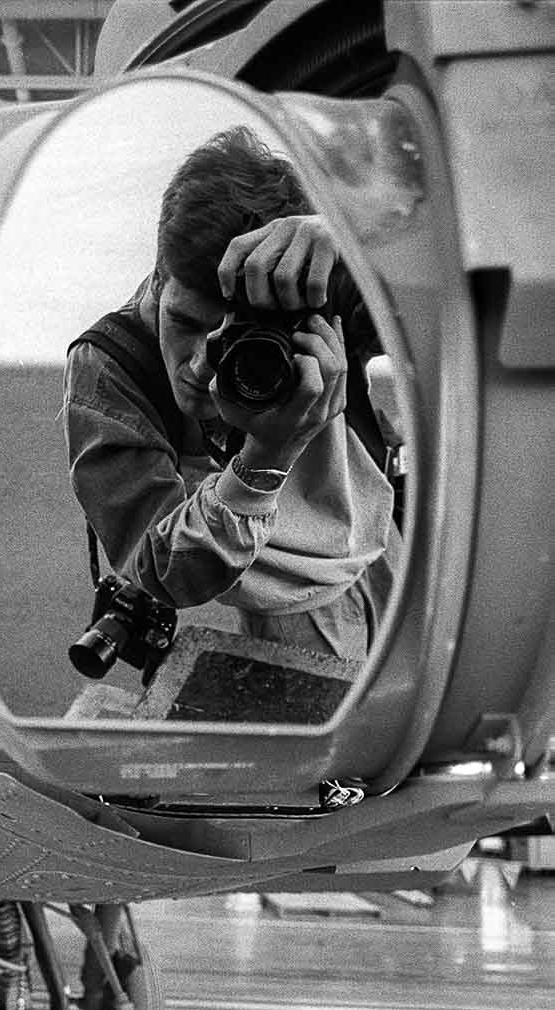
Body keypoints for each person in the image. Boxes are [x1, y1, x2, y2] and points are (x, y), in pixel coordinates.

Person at [63, 126, 399, 669]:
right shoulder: (112, 368)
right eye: (183, 322)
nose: (201, 365)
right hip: (275, 592)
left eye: (232, 340)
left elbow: (461, 310)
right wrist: (267, 457)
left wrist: (360, 241)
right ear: (156, 280)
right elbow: (157, 565)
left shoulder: (317, 291)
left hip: (377, 536)